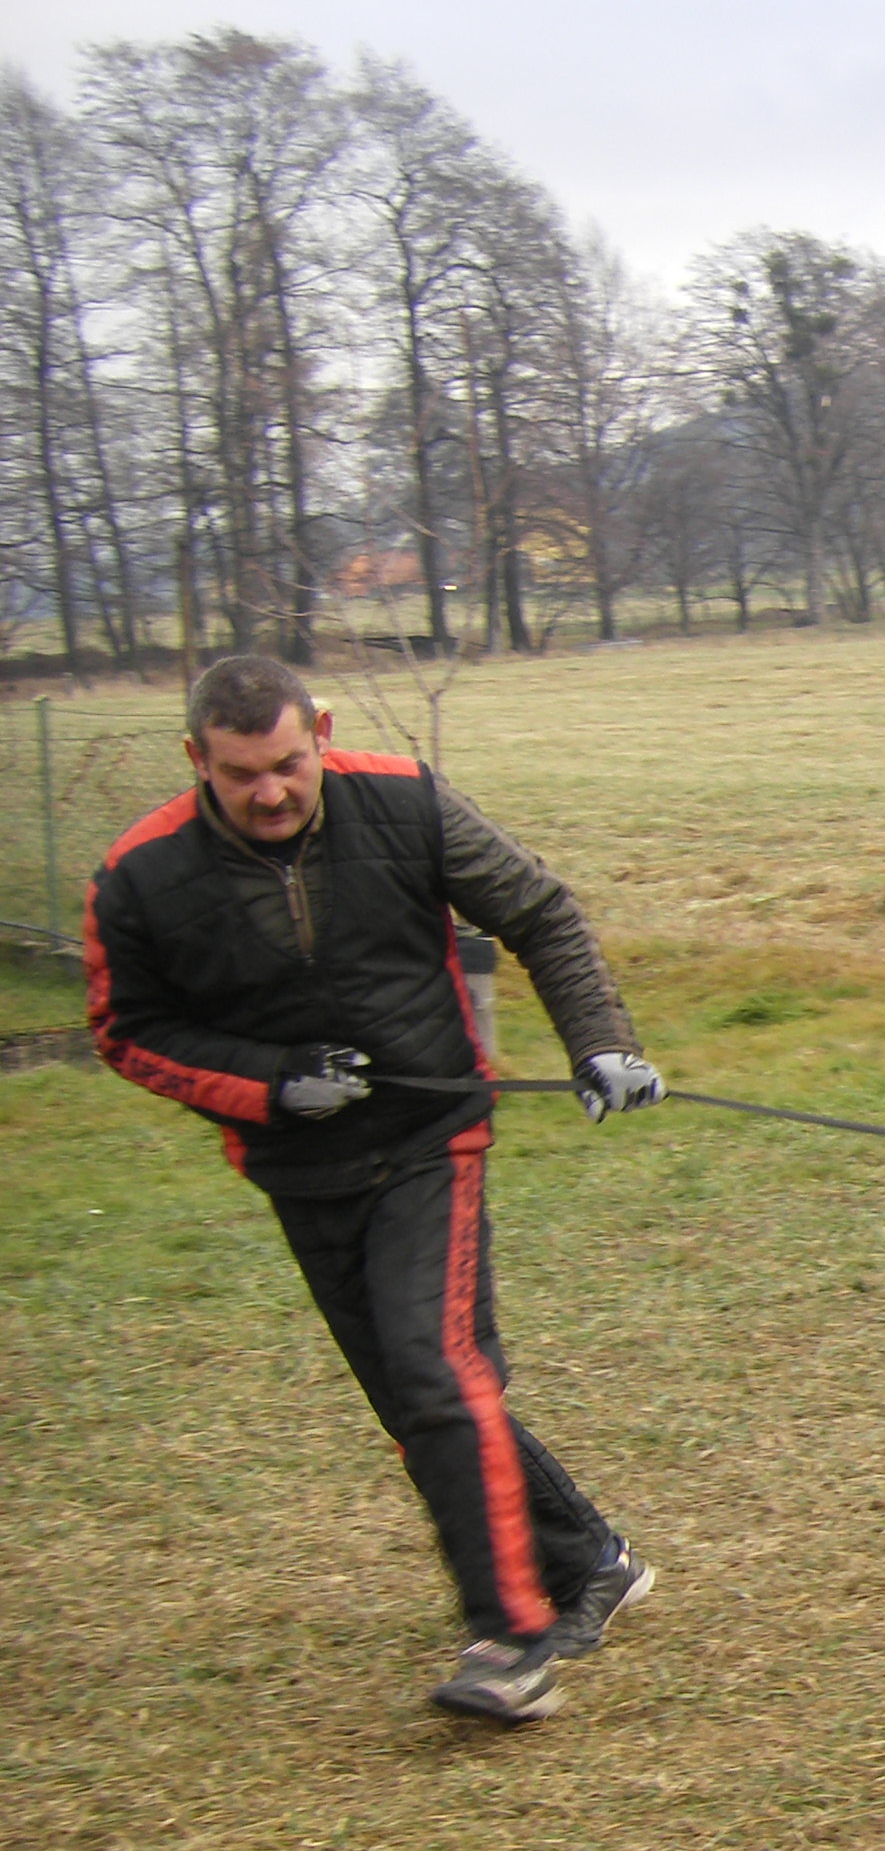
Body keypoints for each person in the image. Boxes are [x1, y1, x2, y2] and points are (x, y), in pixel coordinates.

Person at [86, 655, 669, 1720]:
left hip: (429, 1138)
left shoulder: (406, 801)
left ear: (321, 732)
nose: (269, 792)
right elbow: (127, 1032)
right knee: (419, 1403)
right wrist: (270, 1086)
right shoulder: (140, 876)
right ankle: (591, 1562)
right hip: (296, 1166)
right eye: (239, 773)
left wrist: (601, 1045)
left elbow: (540, 913)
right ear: (194, 761)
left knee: (436, 1372)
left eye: (288, 764)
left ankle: (509, 1637)